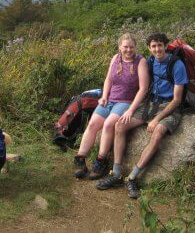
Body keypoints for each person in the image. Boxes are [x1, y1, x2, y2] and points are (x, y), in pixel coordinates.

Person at [96, 32, 187, 198]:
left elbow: (177, 100)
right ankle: (116, 173)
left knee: (157, 133)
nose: (157, 49)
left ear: (166, 46)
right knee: (120, 125)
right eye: (153, 46)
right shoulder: (150, 61)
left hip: (169, 106)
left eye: (160, 45)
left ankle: (132, 177)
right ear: (149, 48)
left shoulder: (177, 65)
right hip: (151, 103)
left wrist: (156, 119)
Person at [73, 33, 149, 180]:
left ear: (135, 47)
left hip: (125, 101)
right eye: (125, 47)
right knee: (93, 124)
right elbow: (108, 79)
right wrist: (104, 96)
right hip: (109, 100)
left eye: (131, 47)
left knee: (108, 125)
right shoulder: (115, 58)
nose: (128, 50)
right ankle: (80, 159)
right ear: (120, 47)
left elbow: (143, 88)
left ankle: (100, 162)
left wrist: (131, 109)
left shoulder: (140, 61)